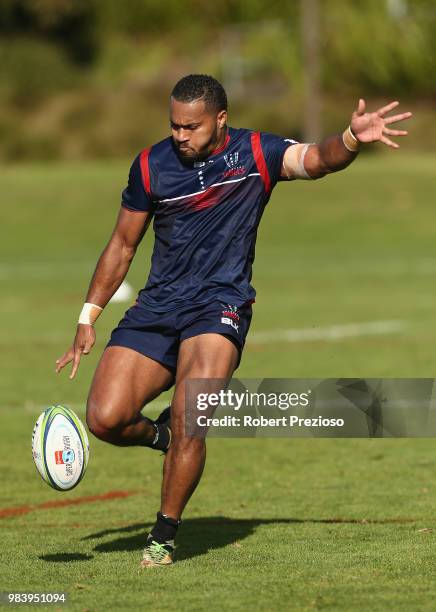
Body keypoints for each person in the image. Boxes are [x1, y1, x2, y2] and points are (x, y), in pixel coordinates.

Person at [55, 74, 411, 566]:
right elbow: (122, 244)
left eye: (192, 127)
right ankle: (161, 438)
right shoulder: (150, 165)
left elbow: (315, 159)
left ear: (220, 120)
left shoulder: (256, 153)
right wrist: (87, 316)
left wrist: (350, 138)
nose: (180, 135)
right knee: (106, 418)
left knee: (191, 416)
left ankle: (162, 535)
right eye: (174, 125)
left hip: (219, 306)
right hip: (157, 307)